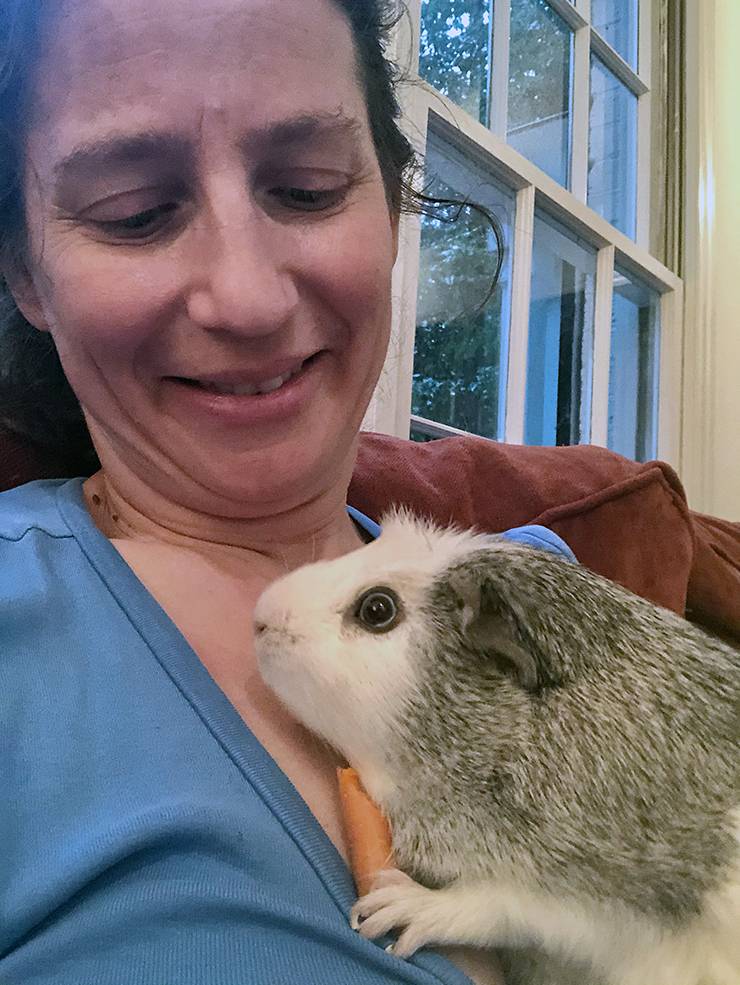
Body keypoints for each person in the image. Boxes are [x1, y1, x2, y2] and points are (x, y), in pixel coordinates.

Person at [0, 0, 548, 981]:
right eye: (135, 212)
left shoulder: (534, 597)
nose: (246, 297)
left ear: (386, 206)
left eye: (305, 189)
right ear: (25, 275)